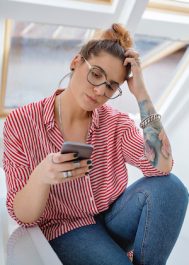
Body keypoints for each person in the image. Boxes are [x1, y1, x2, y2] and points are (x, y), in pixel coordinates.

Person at [3, 23, 188, 265]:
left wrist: (142, 94)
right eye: (96, 74)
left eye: (111, 85)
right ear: (76, 62)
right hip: (66, 228)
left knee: (171, 187)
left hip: (112, 219)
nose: (100, 90)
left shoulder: (116, 123)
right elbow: (23, 217)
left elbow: (161, 167)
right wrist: (42, 176)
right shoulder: (21, 122)